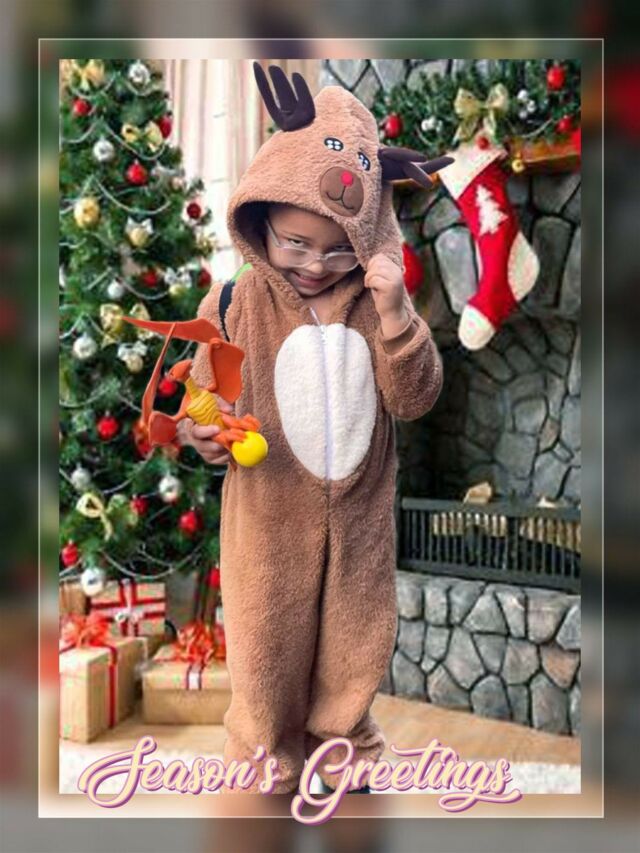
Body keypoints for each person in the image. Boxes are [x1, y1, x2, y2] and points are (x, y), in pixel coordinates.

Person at [176, 63, 447, 795]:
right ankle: (263, 750)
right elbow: (202, 397)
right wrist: (203, 431)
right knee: (265, 641)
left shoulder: (376, 305)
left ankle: (344, 744)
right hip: (267, 515)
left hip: (359, 521)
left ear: (368, 237)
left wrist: (397, 317)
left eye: (338, 249)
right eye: (296, 242)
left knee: (354, 642)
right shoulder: (233, 303)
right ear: (260, 217)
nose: (316, 266)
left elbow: (415, 398)